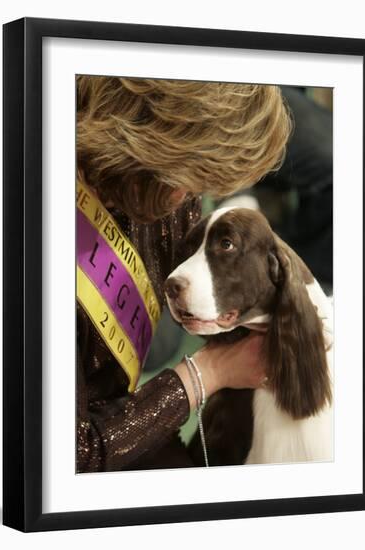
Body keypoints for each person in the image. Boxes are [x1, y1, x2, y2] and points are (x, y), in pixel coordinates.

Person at [76, 76, 292, 472]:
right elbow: (69, 455)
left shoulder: (171, 191)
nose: (192, 198)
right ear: (148, 146)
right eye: (191, 181)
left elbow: (213, 287)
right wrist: (210, 372)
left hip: (124, 406)